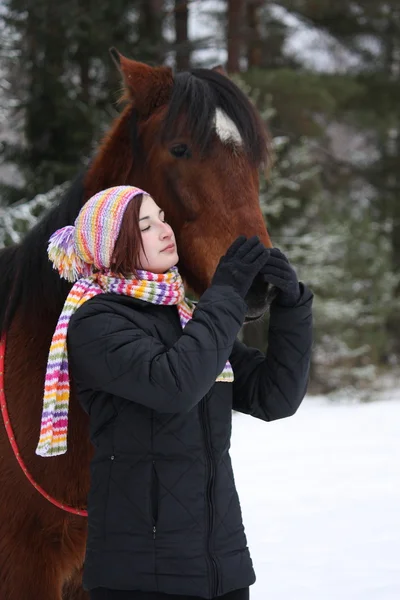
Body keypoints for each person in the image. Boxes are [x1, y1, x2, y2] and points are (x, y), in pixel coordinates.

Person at [36, 185, 313, 600]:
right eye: (145, 225)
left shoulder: (188, 318)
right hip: (142, 576)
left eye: (162, 218)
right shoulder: (96, 323)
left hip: (222, 567)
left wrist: (293, 306)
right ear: (113, 245)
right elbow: (176, 385)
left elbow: (275, 396)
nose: (165, 229)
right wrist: (225, 293)